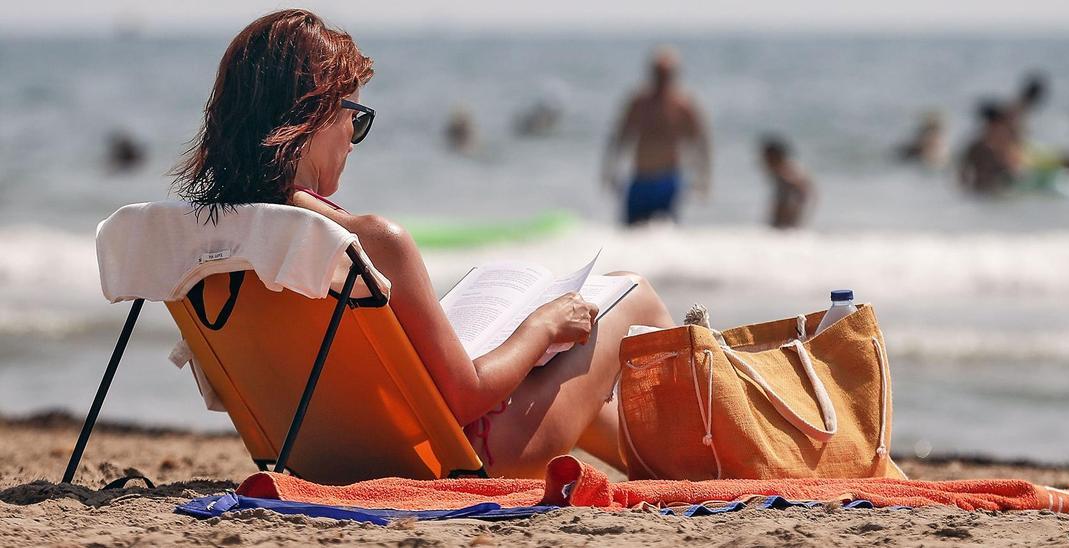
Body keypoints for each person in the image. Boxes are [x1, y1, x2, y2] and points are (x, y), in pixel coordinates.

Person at [171, 10, 675, 478]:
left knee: (576, 391)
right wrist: (543, 326)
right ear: (316, 114)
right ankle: (713, 441)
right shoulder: (368, 241)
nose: (353, 139)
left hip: (323, 455)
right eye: (355, 118)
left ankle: (681, 466)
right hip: (465, 455)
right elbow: (466, 396)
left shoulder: (217, 238)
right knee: (631, 292)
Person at [601, 46, 711, 226]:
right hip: (640, 178)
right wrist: (609, 171)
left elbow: (701, 143)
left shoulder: (683, 106)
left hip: (668, 180)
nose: (661, 79)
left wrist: (703, 178)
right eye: (658, 73)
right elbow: (619, 138)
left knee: (666, 230)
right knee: (631, 229)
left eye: (666, 74)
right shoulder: (638, 103)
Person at [760, 135, 813, 229]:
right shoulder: (785, 168)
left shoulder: (785, 170)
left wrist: (793, 211)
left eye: (766, 157)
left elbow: (802, 189)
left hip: (788, 212)